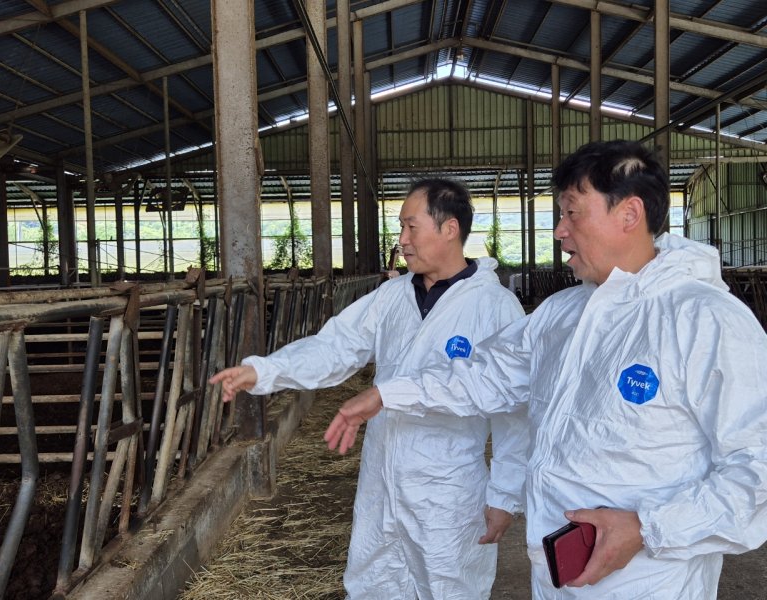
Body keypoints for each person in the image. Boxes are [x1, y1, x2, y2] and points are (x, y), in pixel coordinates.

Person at [325, 140, 767, 599]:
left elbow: (757, 468)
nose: (559, 231)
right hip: (556, 570)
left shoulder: (706, 320)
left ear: (629, 215)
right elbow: (487, 376)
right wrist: (389, 395)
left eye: (572, 213)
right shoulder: (564, 313)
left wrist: (647, 528)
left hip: (647, 581)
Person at [210, 178, 528, 599]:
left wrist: (505, 495)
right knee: (373, 584)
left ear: (449, 229)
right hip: (381, 478)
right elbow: (336, 347)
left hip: (447, 490)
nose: (402, 240)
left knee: (449, 588)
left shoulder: (493, 306)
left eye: (412, 228)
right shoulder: (393, 296)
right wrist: (265, 371)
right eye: (401, 228)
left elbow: (514, 410)